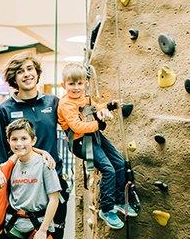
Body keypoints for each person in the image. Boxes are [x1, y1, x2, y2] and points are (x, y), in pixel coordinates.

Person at [0, 52, 75, 239]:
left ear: (37, 73)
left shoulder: (53, 103)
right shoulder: (4, 109)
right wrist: (38, 150)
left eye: (30, 69)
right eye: (21, 71)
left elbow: (76, 119)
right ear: (13, 78)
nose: (27, 74)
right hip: (20, 190)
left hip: (52, 186)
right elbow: (4, 152)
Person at [58, 62, 137, 230]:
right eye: (71, 84)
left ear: (85, 83)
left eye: (79, 83)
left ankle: (120, 200)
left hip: (93, 136)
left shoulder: (84, 98)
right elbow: (77, 126)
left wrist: (110, 106)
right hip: (80, 142)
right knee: (108, 169)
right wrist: (98, 125)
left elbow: (95, 107)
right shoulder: (66, 104)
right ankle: (106, 209)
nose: (76, 87)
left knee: (120, 164)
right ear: (64, 85)